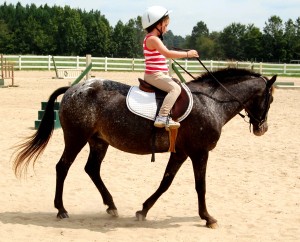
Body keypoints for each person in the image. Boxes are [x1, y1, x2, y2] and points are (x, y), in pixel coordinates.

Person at [142, 6, 199, 129]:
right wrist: (188, 54)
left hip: (158, 74)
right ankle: (162, 116)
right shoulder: (153, 39)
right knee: (175, 89)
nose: (167, 29)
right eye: (166, 25)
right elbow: (168, 54)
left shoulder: (153, 39)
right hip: (154, 75)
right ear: (158, 24)